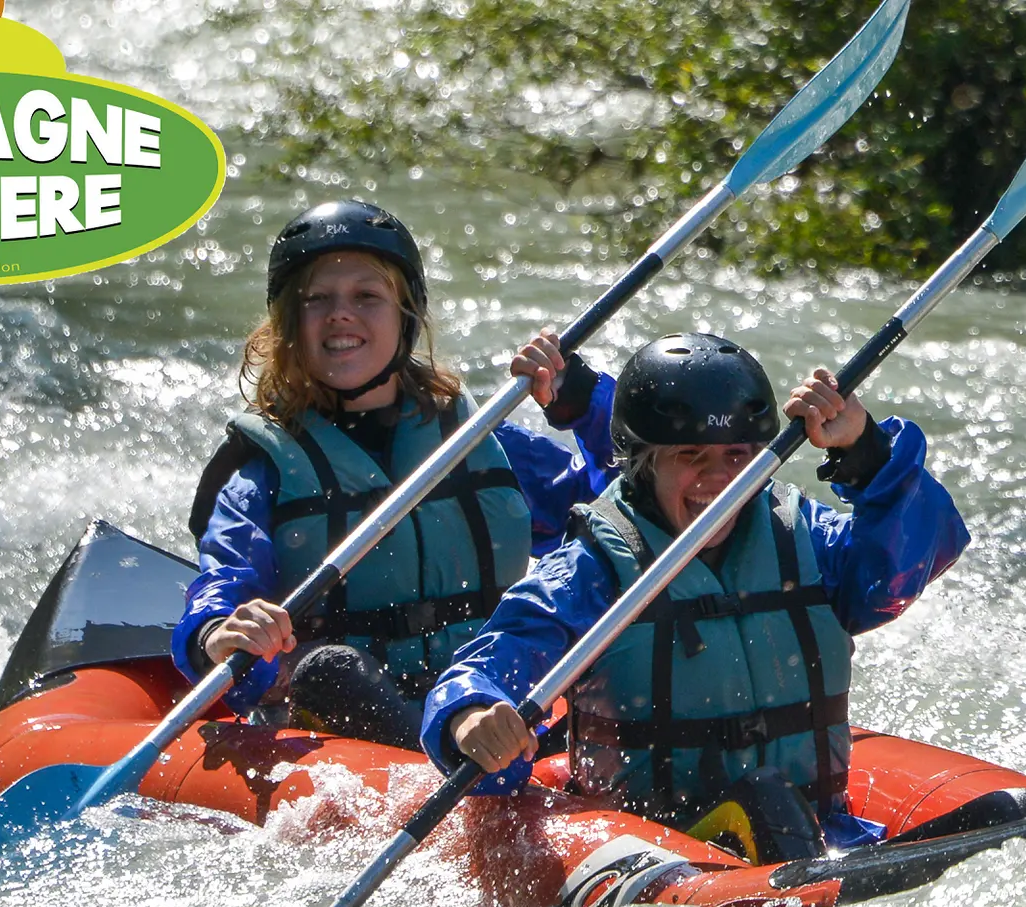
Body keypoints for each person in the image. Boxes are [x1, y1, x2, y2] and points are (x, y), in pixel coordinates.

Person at [419, 332, 970, 860]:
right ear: (642, 463)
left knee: (1006, 811)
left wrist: (867, 450)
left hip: (820, 834)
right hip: (665, 840)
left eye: (736, 455)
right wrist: (469, 713)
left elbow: (902, 570)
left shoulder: (806, 540)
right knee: (767, 802)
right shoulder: (593, 572)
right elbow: (496, 658)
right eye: (690, 456)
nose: (719, 481)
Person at [172, 199, 617, 749]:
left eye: (366, 296)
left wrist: (581, 404)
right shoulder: (264, 471)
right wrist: (222, 631)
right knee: (328, 671)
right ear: (289, 324)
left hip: (488, 702)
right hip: (349, 719)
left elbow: (621, 516)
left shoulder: (479, 438)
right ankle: (446, 750)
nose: (340, 313)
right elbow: (221, 588)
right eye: (318, 299)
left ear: (406, 317)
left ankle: (475, 740)